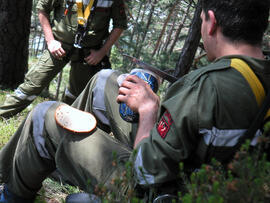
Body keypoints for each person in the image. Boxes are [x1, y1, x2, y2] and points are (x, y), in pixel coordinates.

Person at [0, 0, 270, 202]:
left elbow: (147, 174)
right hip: (205, 180)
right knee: (105, 80)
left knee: (46, 115)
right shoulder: (256, 76)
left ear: (211, 22)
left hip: (156, 192)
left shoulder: (205, 86)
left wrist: (150, 110)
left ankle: (10, 192)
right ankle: (63, 163)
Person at [0, 0, 127, 118]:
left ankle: (60, 124)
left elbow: (119, 24)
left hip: (89, 52)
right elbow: (42, 8)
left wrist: (101, 52)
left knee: (76, 94)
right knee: (33, 84)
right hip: (59, 45)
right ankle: (3, 114)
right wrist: (50, 41)